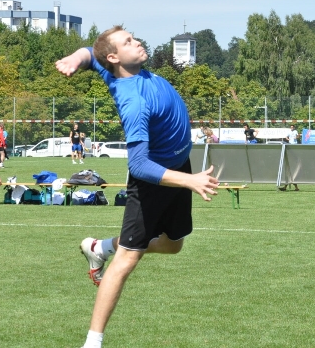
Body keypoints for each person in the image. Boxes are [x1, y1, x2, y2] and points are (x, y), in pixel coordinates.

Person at [55, 25, 218, 348]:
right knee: (127, 260)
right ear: (115, 58)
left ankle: (100, 247)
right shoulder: (134, 102)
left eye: (133, 38)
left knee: (173, 245)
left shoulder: (113, 68)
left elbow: (91, 53)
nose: (138, 42)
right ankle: (92, 342)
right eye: (128, 42)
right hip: (154, 180)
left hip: (178, 168)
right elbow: (139, 165)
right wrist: (189, 180)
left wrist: (75, 58)